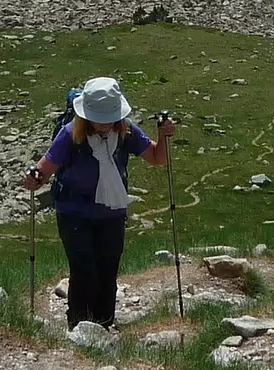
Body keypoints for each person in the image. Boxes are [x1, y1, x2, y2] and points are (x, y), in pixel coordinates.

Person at [22, 76, 176, 334]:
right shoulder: (70, 134)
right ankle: (79, 326)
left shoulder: (126, 131)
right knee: (83, 267)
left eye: (109, 117)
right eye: (99, 118)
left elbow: (157, 158)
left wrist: (163, 136)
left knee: (108, 268)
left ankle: (103, 325)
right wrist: (33, 179)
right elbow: (45, 169)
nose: (104, 123)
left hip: (112, 214)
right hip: (74, 212)